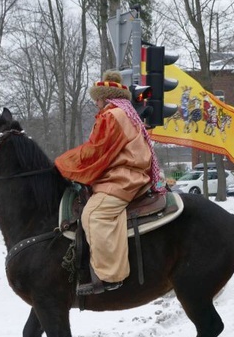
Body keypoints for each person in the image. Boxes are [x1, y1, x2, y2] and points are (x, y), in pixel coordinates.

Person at [55, 70, 163, 292]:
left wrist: (64, 163)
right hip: (127, 173)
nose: (95, 102)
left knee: (94, 214)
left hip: (123, 177)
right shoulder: (125, 114)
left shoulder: (111, 116)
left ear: (105, 97)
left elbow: (96, 151)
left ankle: (111, 276)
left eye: (97, 98)